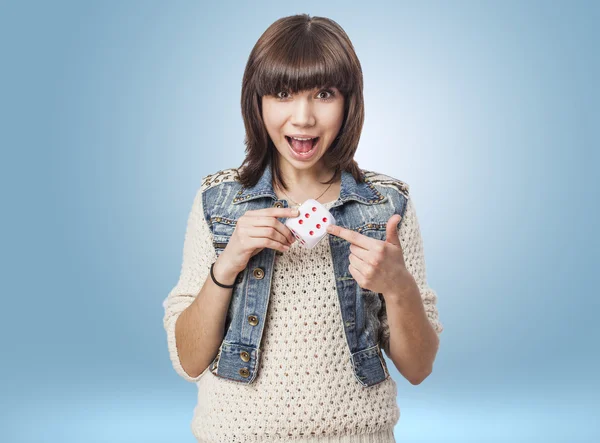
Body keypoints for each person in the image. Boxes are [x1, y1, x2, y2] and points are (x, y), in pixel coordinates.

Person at [162, 13, 443, 443]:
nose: (303, 117)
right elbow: (188, 360)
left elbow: (419, 367)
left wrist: (398, 286)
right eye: (282, 92)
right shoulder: (218, 201)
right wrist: (227, 265)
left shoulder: (387, 205)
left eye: (324, 94)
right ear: (256, 102)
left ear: (350, 102)